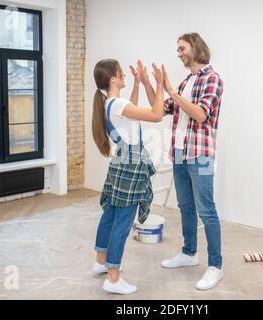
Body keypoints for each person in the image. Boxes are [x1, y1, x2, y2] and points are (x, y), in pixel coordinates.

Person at [138, 33, 224, 290]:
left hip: (201, 156)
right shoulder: (187, 82)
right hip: (179, 155)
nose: (178, 53)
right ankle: (189, 253)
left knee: (207, 211)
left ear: (196, 48)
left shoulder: (212, 79)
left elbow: (199, 114)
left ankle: (215, 266)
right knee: (186, 207)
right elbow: (159, 110)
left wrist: (172, 90)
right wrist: (147, 83)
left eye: (182, 48)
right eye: (177, 49)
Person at [91, 59, 164, 294]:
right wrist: (158, 84)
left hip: (120, 162)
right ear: (112, 78)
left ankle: (101, 262)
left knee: (110, 215)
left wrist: (136, 84)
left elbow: (129, 112)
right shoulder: (116, 103)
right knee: (122, 222)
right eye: (122, 74)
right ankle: (113, 279)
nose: (123, 76)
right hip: (130, 165)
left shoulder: (110, 103)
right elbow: (156, 114)